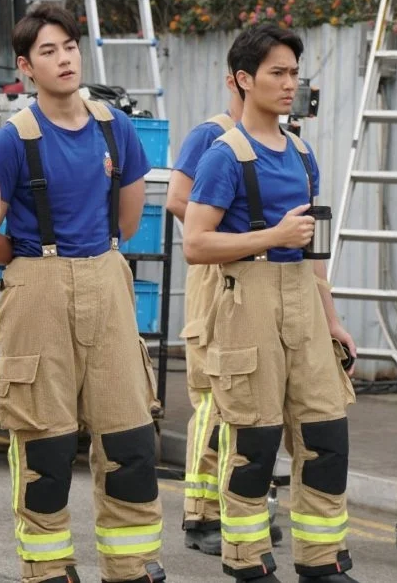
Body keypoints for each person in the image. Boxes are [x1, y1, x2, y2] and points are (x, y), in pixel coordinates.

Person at [0, 3, 164, 583]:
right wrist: (28, 261)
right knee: (45, 446)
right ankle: (48, 567)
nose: (64, 59)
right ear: (25, 67)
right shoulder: (12, 139)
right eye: (48, 51)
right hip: (38, 284)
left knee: (130, 438)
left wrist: (93, 257)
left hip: (107, 275)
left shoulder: (114, 126)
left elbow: (128, 219)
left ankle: (129, 567)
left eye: (70, 47)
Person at [183, 23, 358, 583]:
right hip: (248, 301)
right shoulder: (224, 155)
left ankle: (321, 563)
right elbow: (195, 244)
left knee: (325, 436)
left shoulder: (303, 154)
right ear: (243, 79)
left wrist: (332, 321)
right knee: (253, 444)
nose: (289, 85)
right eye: (277, 73)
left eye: (294, 74)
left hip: (303, 299)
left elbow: (311, 250)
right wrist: (271, 236)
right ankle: (247, 561)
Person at [165, 72, 248, 556]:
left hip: (252, 279)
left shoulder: (277, 140)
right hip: (215, 276)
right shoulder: (211, 135)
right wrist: (228, 233)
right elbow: (178, 199)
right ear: (238, 80)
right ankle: (200, 514)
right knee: (213, 398)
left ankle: (235, 507)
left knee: (245, 398)